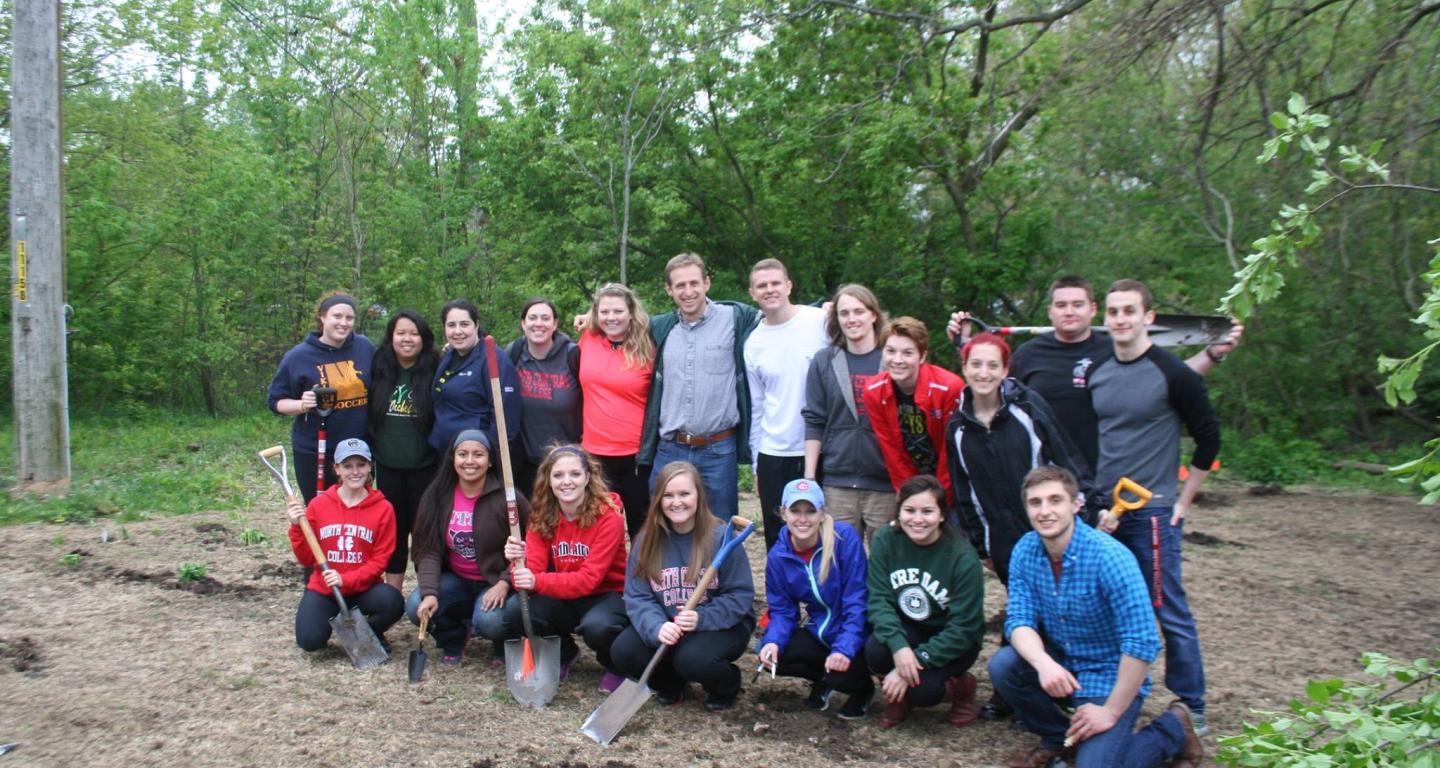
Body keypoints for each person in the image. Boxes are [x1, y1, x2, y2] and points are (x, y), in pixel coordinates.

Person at [989, 465, 1204, 768]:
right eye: (1035, 503)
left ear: (1076, 505)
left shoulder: (1110, 558)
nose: (1045, 511)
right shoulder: (1025, 550)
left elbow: (1142, 642)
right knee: (1004, 666)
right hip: (1064, 666)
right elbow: (1018, 621)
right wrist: (1044, 664)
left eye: (1055, 500)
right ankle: (1059, 739)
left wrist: (1110, 712)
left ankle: (1173, 729)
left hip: (1109, 676)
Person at [1087, 279, 1221, 735]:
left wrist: (1183, 499)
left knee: (1166, 608)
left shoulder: (1174, 373)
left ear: (1149, 317)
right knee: (1104, 606)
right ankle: (1109, 692)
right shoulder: (1098, 372)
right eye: (1113, 312)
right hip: (1106, 513)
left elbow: (1209, 438)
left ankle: (1192, 703)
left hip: (1151, 511)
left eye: (1129, 311)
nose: (1120, 320)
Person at [946, 332, 1101, 720]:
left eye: (992, 365)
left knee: (1063, 607)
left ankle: (1074, 684)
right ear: (964, 368)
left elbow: (1063, 454)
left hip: (1049, 526)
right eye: (976, 365)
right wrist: (981, 544)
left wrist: (1085, 503)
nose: (984, 373)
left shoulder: (1028, 408)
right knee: (1022, 610)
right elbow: (964, 490)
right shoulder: (958, 427)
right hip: (1002, 538)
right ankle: (1013, 691)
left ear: (1005, 369)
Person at [946, 275, 1243, 467]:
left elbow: (1172, 381)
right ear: (1050, 311)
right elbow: (987, 394)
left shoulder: (1115, 349)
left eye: (1077, 304)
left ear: (1093, 309)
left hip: (1108, 475)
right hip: (1046, 478)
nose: (1069, 311)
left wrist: (1212, 355)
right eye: (1061, 305)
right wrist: (967, 348)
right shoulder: (1028, 355)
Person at [610, 462, 755, 711]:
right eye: (668, 495)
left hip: (719, 626)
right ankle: (671, 684)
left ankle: (726, 685)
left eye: (684, 494)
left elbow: (739, 595)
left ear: (698, 495)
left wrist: (701, 618)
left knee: (692, 659)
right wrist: (657, 626)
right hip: (669, 624)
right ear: (658, 500)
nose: (677, 502)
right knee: (624, 651)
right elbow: (637, 596)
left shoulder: (722, 538)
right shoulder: (646, 541)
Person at [640, 253, 761, 522]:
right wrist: (590, 317)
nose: (688, 291)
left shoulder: (737, 318)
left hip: (718, 449)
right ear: (669, 290)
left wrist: (823, 309)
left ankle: (719, 568)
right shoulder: (661, 327)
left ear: (707, 283)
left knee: (719, 527)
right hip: (670, 447)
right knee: (664, 526)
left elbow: (780, 315)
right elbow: (618, 324)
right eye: (680, 285)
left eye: (694, 283)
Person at [503, 445, 630, 693]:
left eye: (575, 474)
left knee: (598, 627)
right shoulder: (541, 516)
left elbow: (589, 580)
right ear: (548, 481)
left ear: (588, 478)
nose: (566, 482)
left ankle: (616, 665)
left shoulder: (609, 516)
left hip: (606, 595)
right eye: (558, 475)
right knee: (518, 610)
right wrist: (517, 560)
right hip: (565, 591)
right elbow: (526, 582)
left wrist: (535, 581)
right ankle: (563, 653)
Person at [864, 474, 984, 728]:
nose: (917, 519)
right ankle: (900, 698)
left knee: (924, 691)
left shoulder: (962, 557)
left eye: (927, 511)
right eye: (909, 510)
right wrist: (899, 647)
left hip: (952, 640)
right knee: (875, 651)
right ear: (899, 512)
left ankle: (963, 688)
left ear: (941, 515)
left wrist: (916, 660)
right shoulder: (886, 539)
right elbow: (879, 599)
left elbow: (964, 627)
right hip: (910, 628)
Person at [407, 430, 526, 665]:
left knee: (489, 621)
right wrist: (430, 593)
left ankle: (504, 641)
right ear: (453, 459)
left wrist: (504, 582)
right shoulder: (437, 496)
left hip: (496, 581)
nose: (470, 461)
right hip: (457, 580)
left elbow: (530, 545)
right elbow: (428, 549)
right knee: (414, 606)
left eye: (478, 454)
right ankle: (454, 637)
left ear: (490, 461)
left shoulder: (508, 499)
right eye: (462, 454)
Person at [757, 479, 873, 718]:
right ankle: (824, 679)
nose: (803, 519)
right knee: (772, 652)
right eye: (795, 511)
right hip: (820, 630)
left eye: (811, 511)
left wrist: (844, 649)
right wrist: (773, 642)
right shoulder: (779, 556)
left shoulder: (844, 539)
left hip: (858, 630)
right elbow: (783, 611)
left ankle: (862, 690)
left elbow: (857, 600)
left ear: (822, 513)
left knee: (842, 673)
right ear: (783, 513)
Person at [743, 259, 831, 550]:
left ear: (789, 285)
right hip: (773, 452)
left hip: (820, 447)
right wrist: (757, 465)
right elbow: (757, 407)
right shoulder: (754, 342)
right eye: (762, 286)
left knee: (820, 532)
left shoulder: (819, 321)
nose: (770, 290)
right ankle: (780, 595)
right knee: (778, 536)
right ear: (752, 293)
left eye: (775, 283)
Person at [285, 438, 403, 653]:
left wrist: (345, 579)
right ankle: (332, 621)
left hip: (364, 590)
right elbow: (305, 558)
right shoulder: (318, 505)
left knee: (392, 601)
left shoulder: (383, 508)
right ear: (336, 469)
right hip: (326, 589)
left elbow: (379, 561)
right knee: (309, 641)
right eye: (347, 466)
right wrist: (295, 527)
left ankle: (369, 631)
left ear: (370, 467)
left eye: (361, 464)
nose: (355, 472)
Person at [802, 284, 894, 546]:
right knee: (840, 562)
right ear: (836, 319)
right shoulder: (824, 361)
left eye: (859, 311)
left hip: (884, 483)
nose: (852, 319)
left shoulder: (891, 360)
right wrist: (810, 478)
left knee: (884, 565)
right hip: (838, 481)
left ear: (873, 315)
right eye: (844, 313)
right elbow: (814, 419)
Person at [268, 291, 373, 502]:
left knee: (358, 505)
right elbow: (276, 402)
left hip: (358, 446)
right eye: (337, 316)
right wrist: (301, 404)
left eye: (349, 318)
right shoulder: (298, 356)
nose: (343, 323)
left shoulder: (365, 347)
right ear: (322, 317)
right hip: (316, 449)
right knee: (321, 507)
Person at [368, 309, 439, 591]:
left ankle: (426, 598)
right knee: (393, 534)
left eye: (414, 333)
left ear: (424, 339)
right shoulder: (379, 366)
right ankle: (392, 599)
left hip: (426, 466)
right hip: (388, 465)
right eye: (401, 333)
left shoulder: (437, 366)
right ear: (391, 337)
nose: (407, 339)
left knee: (424, 535)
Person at [577, 283, 656, 537]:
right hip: (595, 455)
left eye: (618, 311)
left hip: (636, 456)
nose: (611, 318)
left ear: (632, 313)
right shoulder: (588, 338)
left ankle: (642, 576)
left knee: (640, 526)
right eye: (605, 312)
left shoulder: (648, 346)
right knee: (600, 527)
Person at [862, 317, 964, 499]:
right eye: (890, 351)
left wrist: (939, 500)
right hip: (912, 480)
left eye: (908, 353)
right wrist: (909, 496)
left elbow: (950, 452)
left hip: (952, 482)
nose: (897, 360)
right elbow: (892, 452)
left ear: (922, 356)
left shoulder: (949, 387)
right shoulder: (873, 391)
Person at [505, 298, 583, 497]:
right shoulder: (513, 353)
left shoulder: (573, 355)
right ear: (523, 323)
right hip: (525, 462)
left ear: (555, 324)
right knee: (530, 523)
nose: (538, 323)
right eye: (532, 318)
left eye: (545, 318)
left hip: (566, 462)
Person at [430, 299, 522, 459]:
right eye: (451, 325)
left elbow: (506, 419)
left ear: (476, 325)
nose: (458, 331)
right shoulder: (449, 356)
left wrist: (490, 456)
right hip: (446, 453)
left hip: (475, 458)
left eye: (464, 324)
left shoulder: (494, 359)